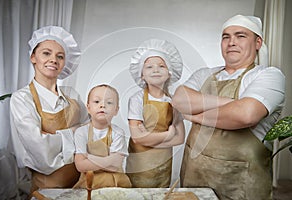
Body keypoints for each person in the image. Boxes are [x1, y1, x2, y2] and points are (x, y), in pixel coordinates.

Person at [172, 14, 286, 199]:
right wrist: (232, 104)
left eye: (241, 36)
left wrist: (195, 116)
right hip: (194, 180)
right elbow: (179, 101)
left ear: (258, 43)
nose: (231, 42)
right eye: (226, 36)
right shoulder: (204, 74)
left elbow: (245, 115)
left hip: (240, 186)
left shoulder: (268, 75)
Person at [10, 26, 89, 195]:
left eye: (60, 56)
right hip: (48, 190)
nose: (53, 59)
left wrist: (55, 137)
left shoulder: (72, 96)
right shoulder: (22, 98)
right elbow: (41, 151)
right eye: (46, 53)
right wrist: (75, 132)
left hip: (82, 184)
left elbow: (93, 134)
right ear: (33, 57)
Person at [126, 38, 185, 188]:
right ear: (142, 75)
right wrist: (167, 135)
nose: (156, 70)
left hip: (163, 164)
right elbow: (137, 138)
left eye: (161, 66)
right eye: (149, 67)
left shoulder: (175, 102)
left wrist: (150, 139)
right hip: (140, 164)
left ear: (170, 73)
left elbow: (180, 138)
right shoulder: (137, 100)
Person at [73, 84, 132, 189]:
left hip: (115, 183)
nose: (102, 105)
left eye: (109, 102)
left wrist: (89, 157)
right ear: (88, 108)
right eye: (96, 101)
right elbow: (81, 166)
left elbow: (115, 166)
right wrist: (109, 161)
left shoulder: (118, 132)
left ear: (116, 110)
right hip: (89, 182)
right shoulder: (81, 132)